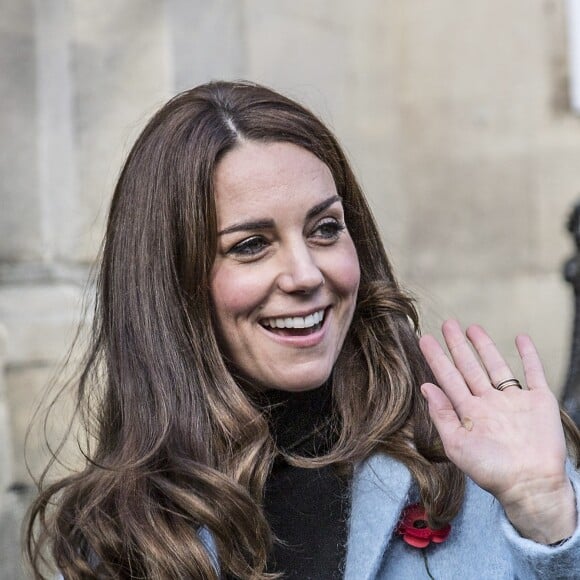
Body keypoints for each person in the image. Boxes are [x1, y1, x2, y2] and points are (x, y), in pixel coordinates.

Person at [26, 81, 580, 579]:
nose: (307, 274)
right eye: (251, 245)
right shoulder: (124, 529)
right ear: (173, 282)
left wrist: (550, 521)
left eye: (325, 229)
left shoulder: (473, 461)